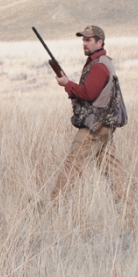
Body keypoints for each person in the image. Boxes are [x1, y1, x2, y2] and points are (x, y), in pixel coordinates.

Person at [50, 24, 124, 200]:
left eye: (88, 40)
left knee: (73, 163)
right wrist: (75, 93)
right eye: (83, 40)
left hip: (94, 124)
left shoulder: (99, 66)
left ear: (100, 42)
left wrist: (67, 84)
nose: (84, 43)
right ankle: (128, 205)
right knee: (111, 166)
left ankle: (54, 204)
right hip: (104, 124)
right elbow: (93, 93)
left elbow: (89, 94)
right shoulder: (101, 62)